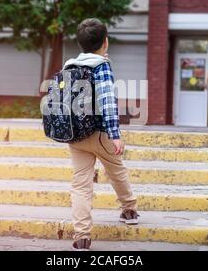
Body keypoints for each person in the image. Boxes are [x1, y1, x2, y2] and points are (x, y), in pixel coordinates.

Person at [63, 18, 139, 251]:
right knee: (117, 171)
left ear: (81, 43)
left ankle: (82, 236)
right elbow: (107, 102)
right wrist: (115, 134)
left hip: (76, 136)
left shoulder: (69, 66)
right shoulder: (102, 66)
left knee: (81, 185)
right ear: (105, 42)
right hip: (99, 134)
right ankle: (129, 210)